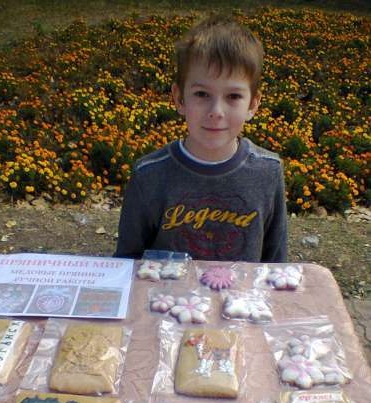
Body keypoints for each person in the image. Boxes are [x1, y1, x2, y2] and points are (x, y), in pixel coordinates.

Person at [115, 16, 287, 262]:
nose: (216, 111)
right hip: (166, 299)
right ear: (179, 98)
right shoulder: (149, 175)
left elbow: (276, 265)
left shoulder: (268, 172)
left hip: (242, 301)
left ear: (253, 104)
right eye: (202, 94)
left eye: (233, 96)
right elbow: (126, 263)